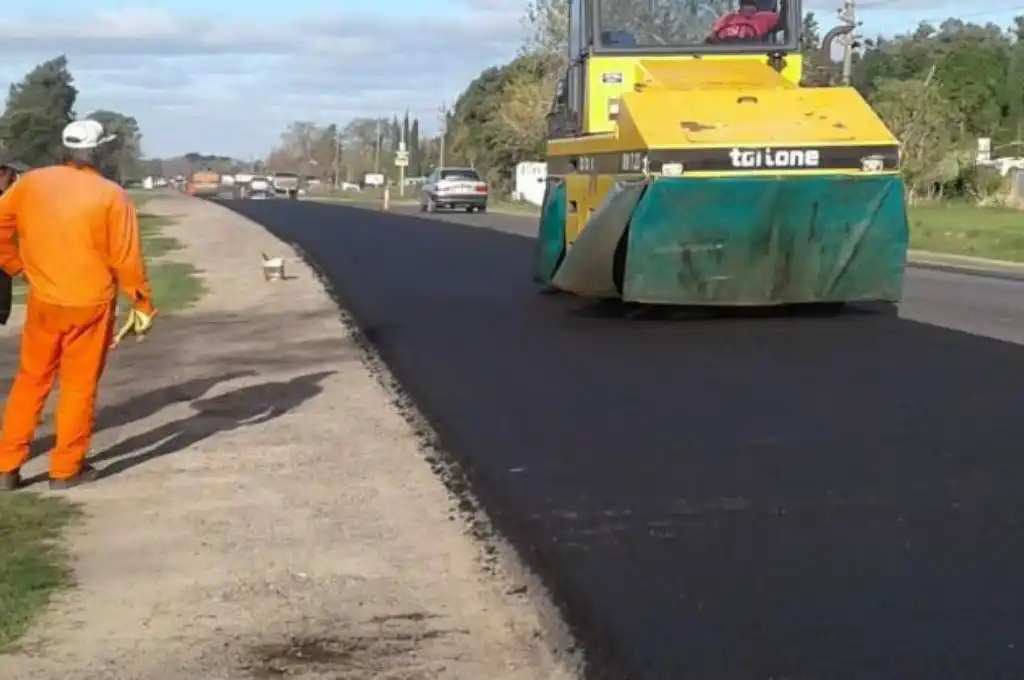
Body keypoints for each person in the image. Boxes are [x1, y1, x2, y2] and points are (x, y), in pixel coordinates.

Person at [0, 119, 158, 491]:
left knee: (30, 381)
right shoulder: (111, 195)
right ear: (98, 151)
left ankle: (6, 466)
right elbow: (127, 258)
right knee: (78, 387)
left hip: (44, 300)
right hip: (91, 305)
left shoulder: (31, 184)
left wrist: (17, 265)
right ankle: (66, 469)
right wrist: (142, 304)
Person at [707, 0, 780, 42]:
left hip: (751, 54)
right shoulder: (727, 17)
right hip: (727, 55)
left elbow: (784, 18)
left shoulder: (763, 18)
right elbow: (711, 37)